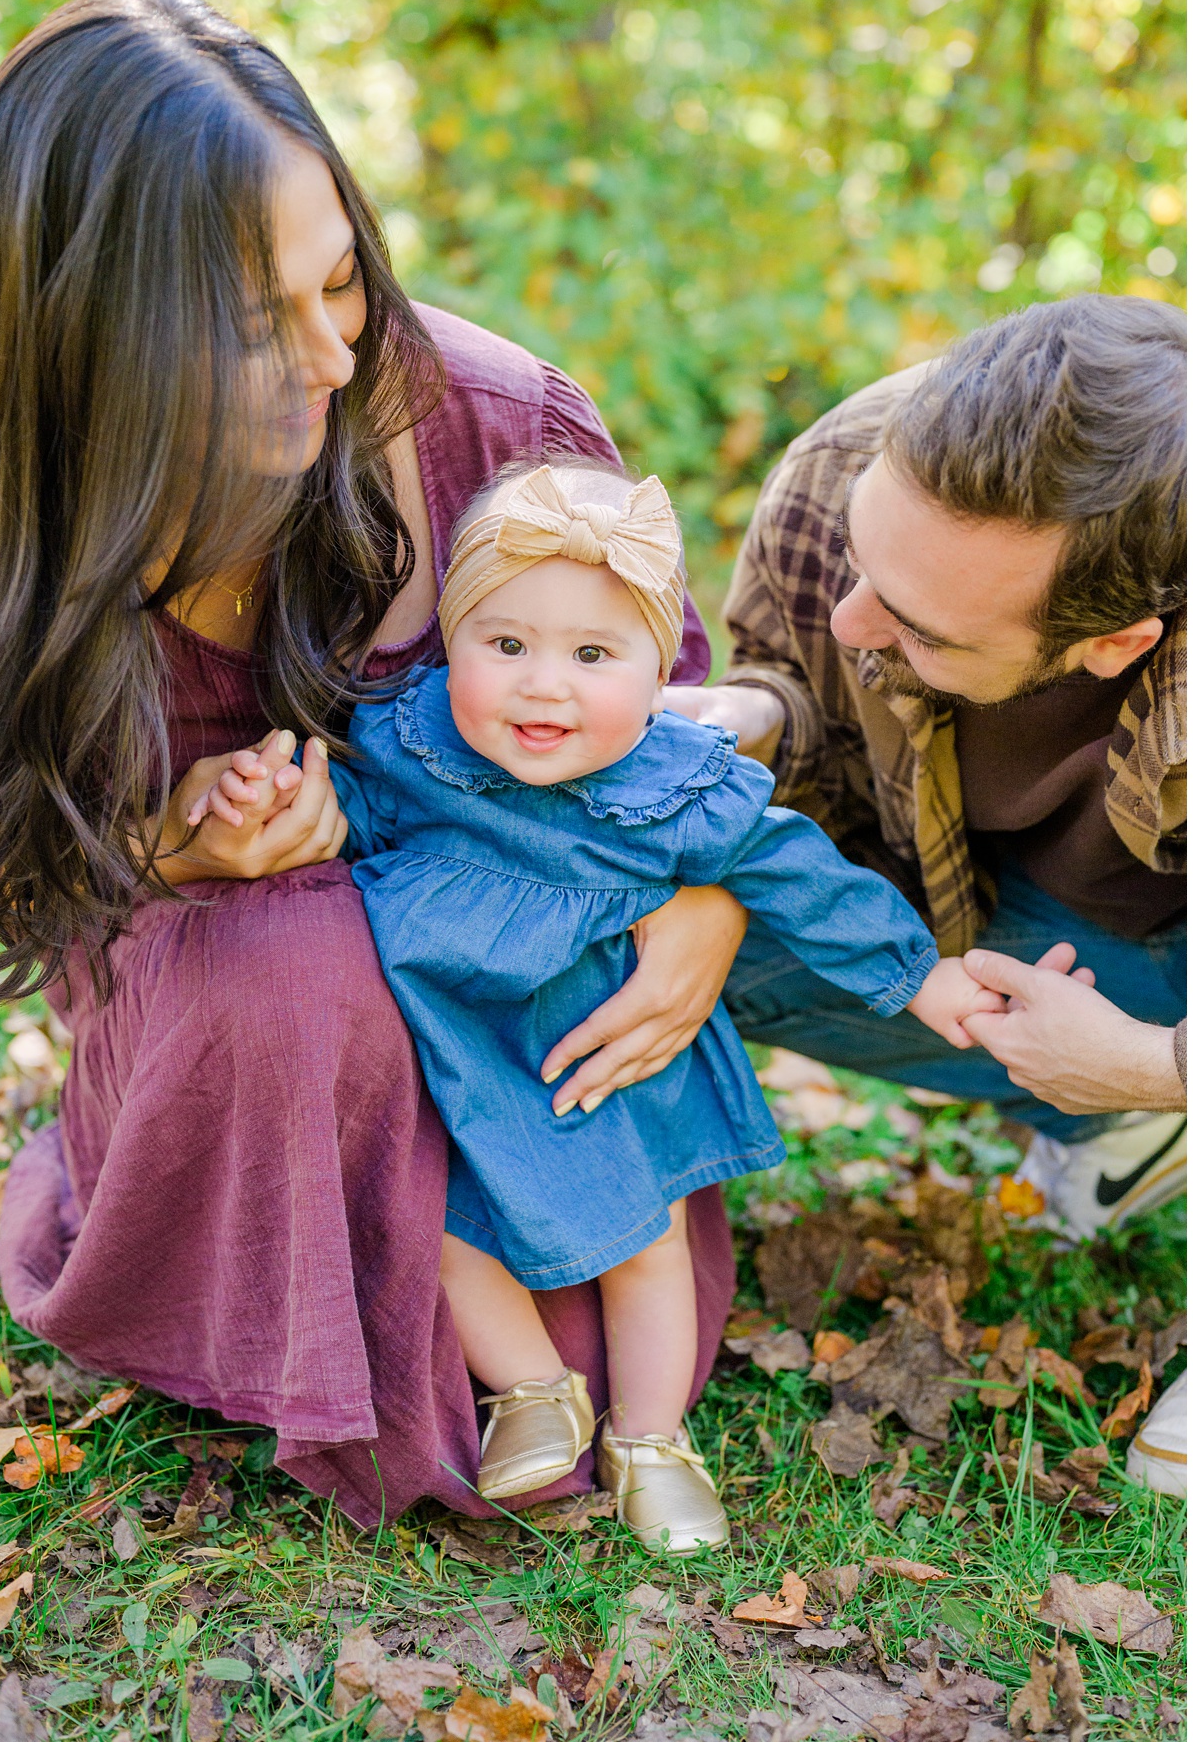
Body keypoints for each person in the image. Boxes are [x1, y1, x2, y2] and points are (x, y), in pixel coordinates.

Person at [0, 0, 749, 1526]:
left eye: (345, 282)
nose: (335, 355)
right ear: (91, 339)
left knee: (594, 1336)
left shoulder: (492, 426)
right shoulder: (29, 515)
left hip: (530, 994)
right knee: (300, 960)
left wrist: (707, 906)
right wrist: (170, 849)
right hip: (256, 1021)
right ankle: (263, 1284)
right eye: (256, 322)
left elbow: (668, 731)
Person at [188, 461, 999, 1548]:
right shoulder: (411, 742)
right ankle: (534, 1388)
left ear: (660, 667)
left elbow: (804, 881)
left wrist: (927, 976)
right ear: (451, 638)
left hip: (606, 1052)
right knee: (437, 1224)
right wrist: (271, 794)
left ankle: (651, 1439)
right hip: (462, 1062)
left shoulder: (672, 782)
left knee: (643, 1242)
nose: (542, 687)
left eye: (593, 655)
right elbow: (338, 816)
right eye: (506, 644)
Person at [660, 295, 1192, 1491]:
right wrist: (757, 717)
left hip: (1172, 967)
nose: (856, 623)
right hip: (934, 919)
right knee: (633, 892)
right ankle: (1117, 1127)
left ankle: (1148, 1113)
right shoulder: (846, 467)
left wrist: (1161, 1061)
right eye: (863, 564)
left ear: (1116, 645)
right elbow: (800, 685)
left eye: (923, 629)